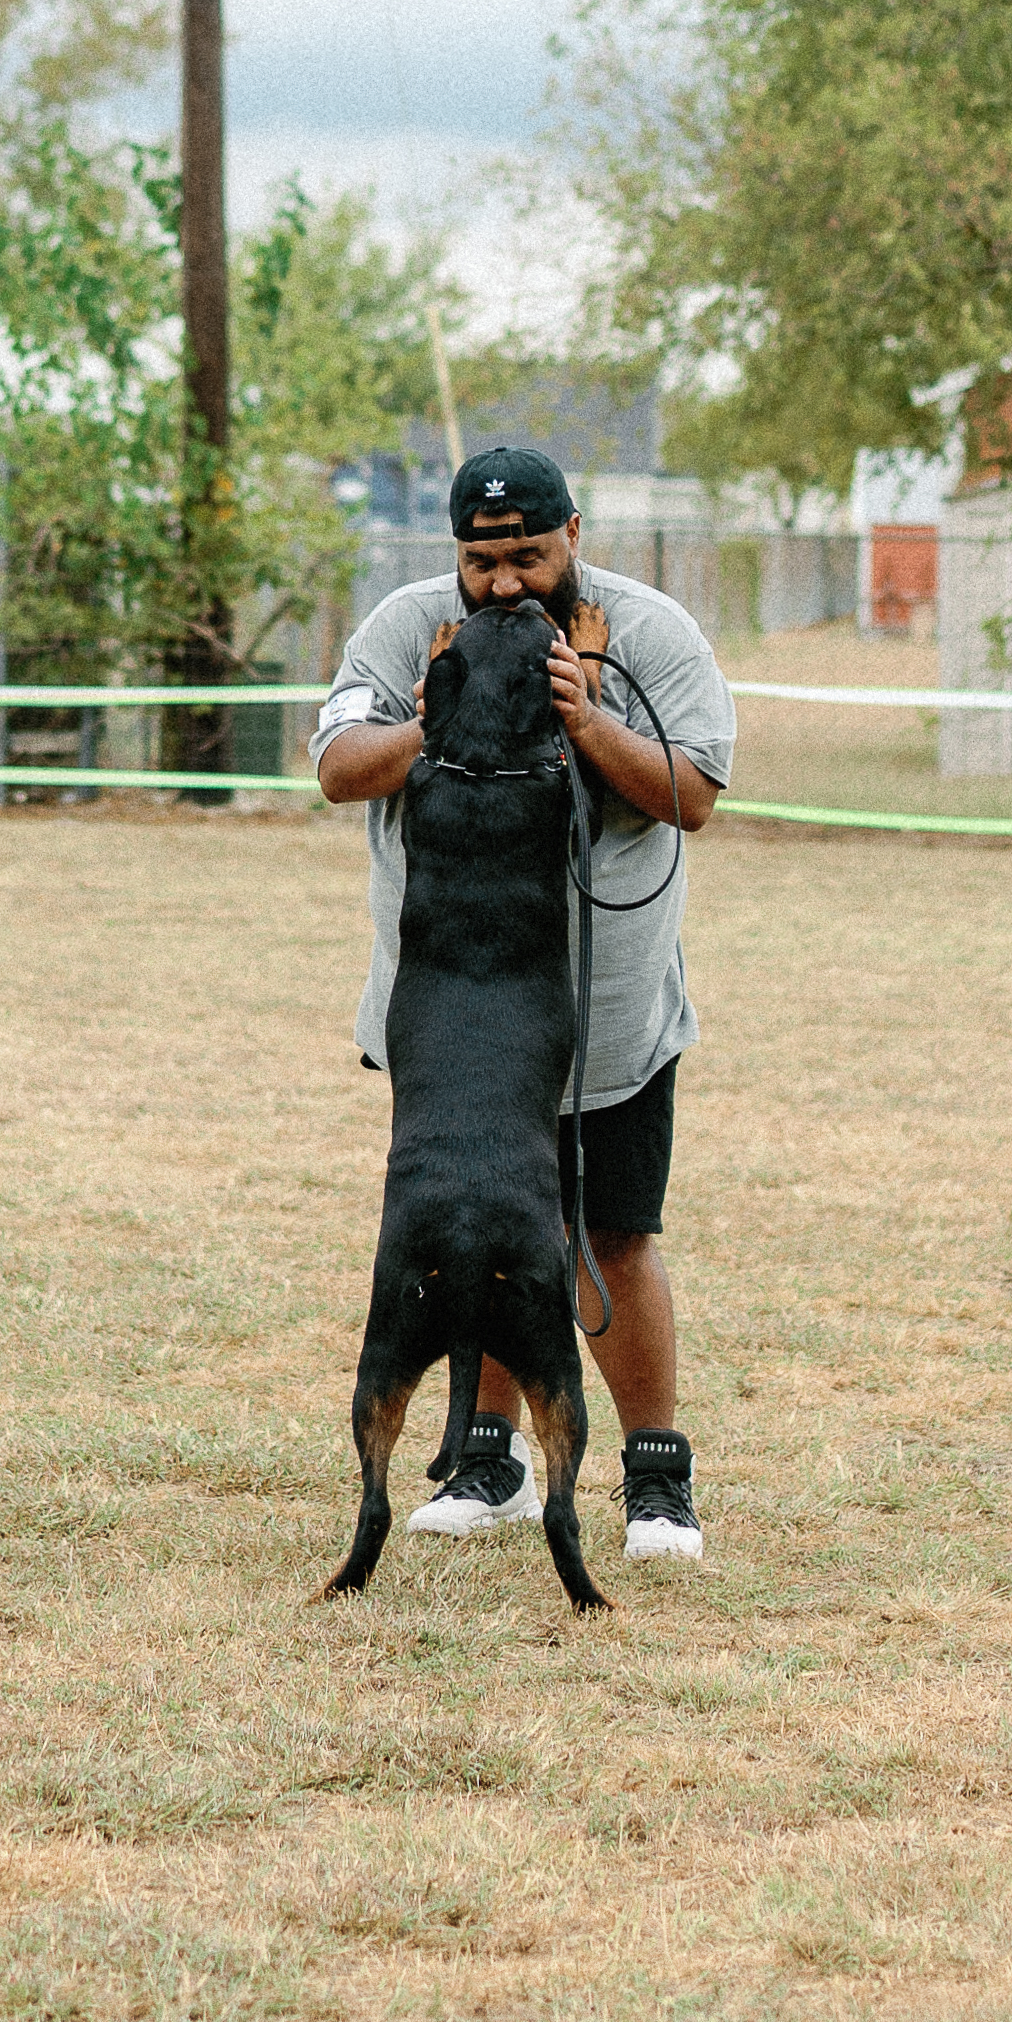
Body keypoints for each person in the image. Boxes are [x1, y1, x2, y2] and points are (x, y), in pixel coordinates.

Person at [311, 440, 735, 1559]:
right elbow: (339, 765)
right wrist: (441, 715)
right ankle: (488, 1457)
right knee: (476, 1224)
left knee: (611, 1234)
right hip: (458, 1009)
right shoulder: (408, 627)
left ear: (576, 536)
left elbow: (694, 795)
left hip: (607, 1007)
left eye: (528, 556)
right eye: (482, 558)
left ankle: (656, 1478)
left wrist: (590, 721)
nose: (503, 581)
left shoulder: (649, 634)